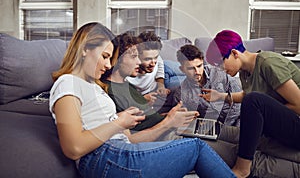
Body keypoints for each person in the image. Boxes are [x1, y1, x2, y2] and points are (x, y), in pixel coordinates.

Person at [49, 22, 236, 178]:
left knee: (221, 138)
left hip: (118, 149)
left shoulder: (93, 87)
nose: (108, 64)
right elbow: (73, 147)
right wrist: (119, 122)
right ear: (85, 50)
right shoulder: (68, 82)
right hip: (105, 156)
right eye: (105, 57)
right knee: (197, 148)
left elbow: (128, 138)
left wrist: (121, 121)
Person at [204, 29, 300, 178]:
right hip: (287, 126)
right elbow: (246, 95)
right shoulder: (245, 72)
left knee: (254, 102)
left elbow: (298, 104)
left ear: (235, 53)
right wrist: (221, 96)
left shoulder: (268, 63)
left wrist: (264, 119)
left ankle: (243, 168)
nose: (222, 69)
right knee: (252, 104)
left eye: (221, 62)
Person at [173, 44, 241, 126]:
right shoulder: (180, 93)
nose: (197, 72)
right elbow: (184, 119)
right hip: (210, 127)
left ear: (203, 62)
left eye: (199, 66)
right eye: (191, 68)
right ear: (182, 69)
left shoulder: (220, 72)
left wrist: (227, 126)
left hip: (237, 119)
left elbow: (237, 101)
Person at [126, 31, 172, 112]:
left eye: (155, 57)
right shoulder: (127, 75)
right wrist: (142, 99)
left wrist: (161, 85)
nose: (153, 63)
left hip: (155, 90)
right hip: (141, 97)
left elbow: (160, 67)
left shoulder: (155, 57)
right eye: (147, 59)